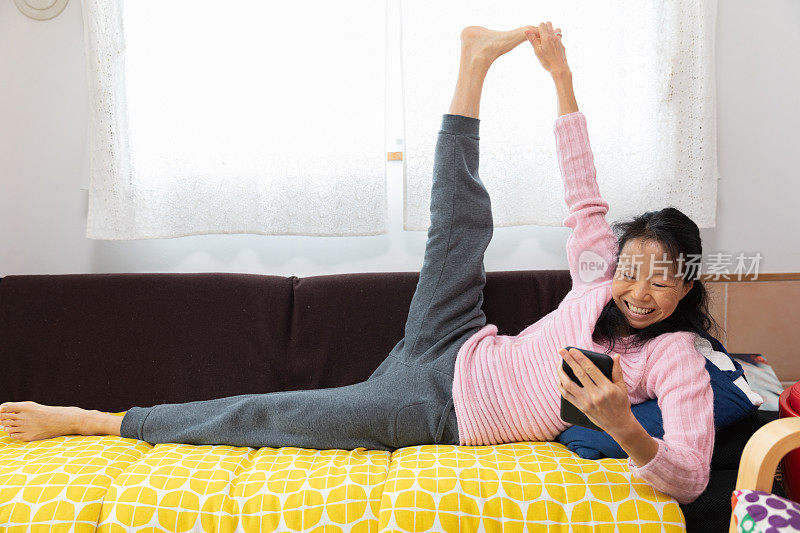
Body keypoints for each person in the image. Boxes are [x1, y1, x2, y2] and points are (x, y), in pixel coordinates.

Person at [0, 22, 716, 505]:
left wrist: (625, 425)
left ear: (685, 284)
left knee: (265, 415)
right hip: (458, 336)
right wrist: (559, 73)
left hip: (437, 409)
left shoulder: (676, 355)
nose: (640, 289)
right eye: (633, 268)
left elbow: (688, 476)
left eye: (663, 277)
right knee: (461, 227)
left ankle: (94, 419)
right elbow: (582, 184)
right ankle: (472, 64)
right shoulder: (599, 273)